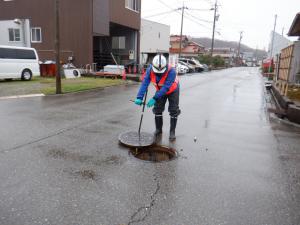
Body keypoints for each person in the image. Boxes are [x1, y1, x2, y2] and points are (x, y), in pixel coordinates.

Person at [134, 54, 180, 141]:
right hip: (159, 90)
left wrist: (154, 98)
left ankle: (172, 132)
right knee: (158, 109)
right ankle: (158, 130)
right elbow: (144, 84)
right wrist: (139, 97)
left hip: (173, 90)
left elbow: (166, 88)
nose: (159, 74)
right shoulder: (149, 70)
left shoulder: (172, 71)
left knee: (173, 110)